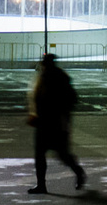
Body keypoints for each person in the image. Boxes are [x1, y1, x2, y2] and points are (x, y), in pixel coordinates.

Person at [27, 53, 85, 194]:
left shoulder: (59, 78)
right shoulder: (43, 77)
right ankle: (41, 185)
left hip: (55, 123)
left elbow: (71, 99)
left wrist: (63, 118)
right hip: (43, 122)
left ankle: (79, 172)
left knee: (62, 155)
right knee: (40, 154)